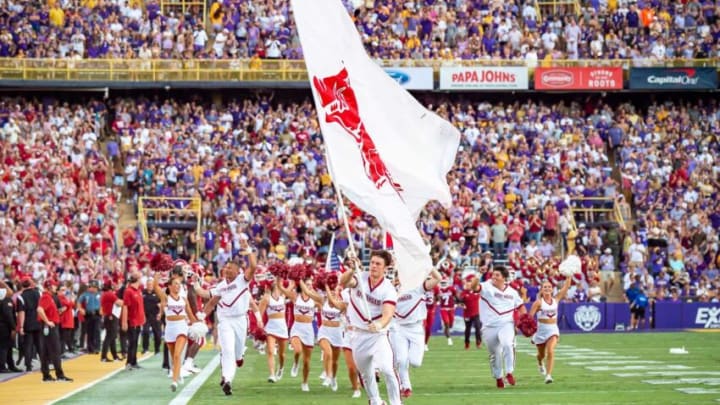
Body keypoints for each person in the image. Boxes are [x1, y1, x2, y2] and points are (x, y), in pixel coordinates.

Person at [339, 250, 401, 405]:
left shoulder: (388, 289)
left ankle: (396, 402)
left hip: (378, 335)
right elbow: (344, 282)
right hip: (358, 335)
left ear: (385, 268)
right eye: (372, 262)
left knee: (387, 370)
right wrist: (352, 269)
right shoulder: (361, 277)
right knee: (365, 373)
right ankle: (375, 401)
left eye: (378, 264)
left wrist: (379, 324)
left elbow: (388, 314)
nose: (373, 266)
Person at [196, 243, 258, 396]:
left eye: (230, 268)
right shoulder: (221, 286)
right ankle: (227, 380)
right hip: (225, 322)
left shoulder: (243, 280)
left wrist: (249, 251)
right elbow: (210, 300)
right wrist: (202, 316)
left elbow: (254, 267)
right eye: (226, 267)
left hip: (240, 320)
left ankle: (239, 357)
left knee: (237, 352)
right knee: (227, 350)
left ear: (238, 271)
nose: (227, 269)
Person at [391, 267, 441, 398]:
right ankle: (405, 386)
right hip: (399, 328)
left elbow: (438, 278)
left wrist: (428, 265)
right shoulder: (391, 291)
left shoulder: (418, 287)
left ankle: (403, 374)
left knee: (415, 362)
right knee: (401, 360)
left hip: (416, 328)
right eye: (398, 276)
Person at [478, 266, 527, 388]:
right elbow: (475, 287)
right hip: (489, 326)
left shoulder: (512, 292)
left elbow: (520, 306)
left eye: (497, 275)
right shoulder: (486, 286)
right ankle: (499, 377)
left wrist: (524, 318)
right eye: (493, 274)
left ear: (504, 278)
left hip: (506, 323)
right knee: (495, 354)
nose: (494, 277)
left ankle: (509, 372)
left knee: (507, 344)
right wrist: (477, 274)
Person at [154, 271, 199, 391]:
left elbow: (190, 314)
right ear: (169, 286)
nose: (178, 286)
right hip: (170, 328)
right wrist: (156, 278)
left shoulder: (184, 299)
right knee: (174, 357)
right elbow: (156, 288)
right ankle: (177, 374)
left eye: (179, 284)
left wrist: (198, 325)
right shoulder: (166, 298)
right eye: (175, 284)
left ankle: (174, 382)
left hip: (181, 327)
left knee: (178, 354)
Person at [300, 277, 343, 391]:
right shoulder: (322, 300)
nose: (333, 292)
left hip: (337, 333)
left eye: (335, 290)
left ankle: (333, 378)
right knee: (327, 353)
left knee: (335, 361)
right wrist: (299, 279)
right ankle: (328, 376)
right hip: (324, 331)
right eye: (331, 289)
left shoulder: (342, 304)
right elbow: (308, 292)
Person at [529, 275, 572, 384]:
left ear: (552, 289)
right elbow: (529, 317)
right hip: (541, 330)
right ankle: (539, 362)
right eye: (545, 287)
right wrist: (530, 330)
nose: (547, 289)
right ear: (541, 290)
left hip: (553, 329)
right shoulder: (538, 302)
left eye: (549, 287)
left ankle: (548, 375)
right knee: (541, 355)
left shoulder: (556, 299)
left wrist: (569, 275)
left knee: (551, 351)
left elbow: (566, 287)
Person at [278, 277, 316, 392]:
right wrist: (278, 278)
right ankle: (295, 363)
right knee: (298, 350)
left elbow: (326, 304)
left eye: (310, 284)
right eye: (307, 284)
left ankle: (304, 382)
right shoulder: (296, 296)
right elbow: (282, 290)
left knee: (307, 362)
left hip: (308, 329)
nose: (309, 286)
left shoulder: (315, 298)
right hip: (297, 327)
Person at [326, 286, 362, 399]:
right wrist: (327, 286)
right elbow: (332, 302)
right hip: (348, 337)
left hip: (361, 337)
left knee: (362, 366)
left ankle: (365, 380)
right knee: (351, 367)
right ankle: (356, 389)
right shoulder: (344, 306)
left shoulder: (364, 306)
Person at [36, 279, 73, 382]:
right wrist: (47, 321)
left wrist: (57, 312)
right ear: (49, 287)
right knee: (55, 351)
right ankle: (59, 375)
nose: (55, 287)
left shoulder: (49, 297)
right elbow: (39, 309)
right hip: (50, 327)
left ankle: (46, 375)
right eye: (54, 286)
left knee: (46, 351)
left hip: (48, 326)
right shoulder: (46, 297)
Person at [258, 277, 288, 383]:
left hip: (282, 327)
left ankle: (281, 368)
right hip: (271, 327)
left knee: (282, 354)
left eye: (277, 280)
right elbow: (259, 313)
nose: (275, 281)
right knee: (270, 351)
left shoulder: (283, 295)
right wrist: (259, 324)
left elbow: (291, 286)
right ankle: (272, 374)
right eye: (273, 280)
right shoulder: (266, 297)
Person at [121, 271, 146, 371]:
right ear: (137, 280)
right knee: (132, 342)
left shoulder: (139, 290)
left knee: (135, 342)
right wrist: (124, 321)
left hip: (139, 320)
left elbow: (140, 305)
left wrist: (143, 316)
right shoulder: (128, 291)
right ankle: (129, 363)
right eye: (140, 278)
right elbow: (125, 307)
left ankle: (134, 361)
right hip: (132, 321)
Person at [17, 277, 41, 372]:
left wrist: (21, 326)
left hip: (28, 323)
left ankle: (28, 365)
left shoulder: (21, 297)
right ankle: (44, 363)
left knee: (28, 345)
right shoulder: (38, 293)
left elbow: (21, 312)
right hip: (38, 321)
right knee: (40, 344)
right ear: (31, 284)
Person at [100, 280, 123, 362]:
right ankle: (103, 356)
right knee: (109, 337)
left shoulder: (105, 294)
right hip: (111, 316)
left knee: (112, 337)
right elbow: (119, 303)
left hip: (109, 316)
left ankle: (114, 356)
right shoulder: (109, 294)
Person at [0, 281, 20, 373]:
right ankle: (2, 366)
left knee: (8, 347)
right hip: (5, 327)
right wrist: (13, 328)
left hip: (4, 326)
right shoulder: (6, 300)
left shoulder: (5, 299)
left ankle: (11, 365)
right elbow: (8, 315)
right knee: (4, 347)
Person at [77, 281, 101, 354]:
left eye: (95, 287)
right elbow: (78, 302)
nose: (93, 289)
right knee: (89, 331)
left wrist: (102, 310)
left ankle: (97, 347)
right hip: (88, 313)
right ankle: (90, 348)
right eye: (92, 287)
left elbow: (103, 303)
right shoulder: (85, 294)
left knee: (97, 331)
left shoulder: (100, 294)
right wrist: (81, 309)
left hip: (97, 313)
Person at [459, 275, 482, 350]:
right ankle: (467, 343)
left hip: (476, 313)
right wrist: (462, 304)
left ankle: (478, 342)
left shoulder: (477, 291)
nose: (469, 284)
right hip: (467, 314)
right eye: (467, 283)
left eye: (470, 282)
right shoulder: (464, 293)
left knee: (478, 327)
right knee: (467, 329)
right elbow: (460, 301)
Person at [142, 279, 162, 355]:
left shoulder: (157, 293)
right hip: (146, 316)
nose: (149, 286)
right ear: (146, 285)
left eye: (151, 284)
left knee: (157, 333)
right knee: (145, 331)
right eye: (148, 284)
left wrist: (160, 313)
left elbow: (162, 304)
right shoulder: (143, 293)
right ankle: (145, 348)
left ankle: (157, 350)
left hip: (155, 316)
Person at [438, 277, 457, 345]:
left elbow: (455, 296)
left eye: (444, 282)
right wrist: (438, 299)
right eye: (442, 282)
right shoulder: (439, 289)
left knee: (451, 325)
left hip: (451, 309)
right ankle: (449, 339)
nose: (443, 284)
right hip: (443, 309)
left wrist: (456, 303)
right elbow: (436, 297)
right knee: (447, 323)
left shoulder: (451, 288)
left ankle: (446, 330)